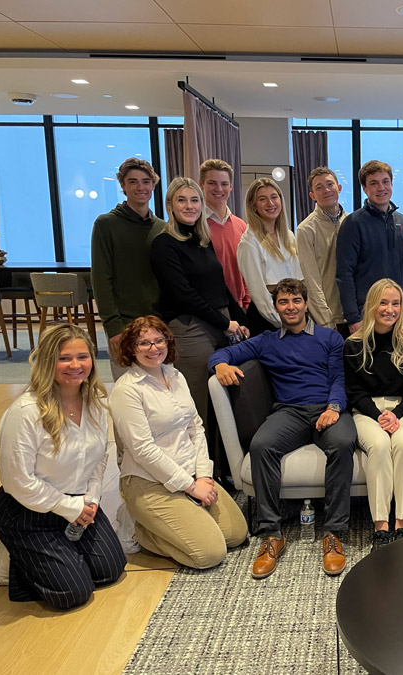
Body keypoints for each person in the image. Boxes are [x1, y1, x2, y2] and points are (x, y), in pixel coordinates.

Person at [208, 278, 355, 579]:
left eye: (296, 300)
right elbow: (222, 354)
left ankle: (333, 532)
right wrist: (219, 365)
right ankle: (271, 533)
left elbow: (341, 379)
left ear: (305, 303)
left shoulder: (330, 338)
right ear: (275, 307)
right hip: (289, 412)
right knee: (262, 446)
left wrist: (334, 408)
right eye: (283, 302)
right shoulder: (266, 341)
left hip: (327, 408)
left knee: (341, 444)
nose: (291, 307)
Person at [0, 324, 125, 609]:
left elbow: (99, 458)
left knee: (110, 570)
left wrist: (91, 498)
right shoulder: (26, 412)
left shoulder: (97, 402)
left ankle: (60, 559)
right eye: (64, 358)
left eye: (83, 357)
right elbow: (17, 482)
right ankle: (14, 555)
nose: (75, 365)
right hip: (28, 509)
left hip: (80, 501)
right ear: (47, 361)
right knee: (73, 594)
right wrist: (68, 508)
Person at [110, 316, 247, 569]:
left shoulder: (175, 375)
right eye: (144, 343)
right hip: (148, 481)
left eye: (159, 340)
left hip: (190, 472)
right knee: (209, 554)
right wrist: (190, 487)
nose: (154, 348)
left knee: (235, 535)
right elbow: (143, 450)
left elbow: (195, 426)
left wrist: (204, 476)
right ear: (131, 348)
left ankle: (183, 517)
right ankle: (139, 527)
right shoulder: (126, 390)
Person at [150, 177, 250, 427]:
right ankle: (200, 462)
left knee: (225, 399)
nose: (189, 206)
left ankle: (221, 463)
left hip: (219, 323)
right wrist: (226, 323)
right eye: (181, 200)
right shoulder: (164, 244)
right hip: (191, 328)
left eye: (194, 200)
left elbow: (221, 286)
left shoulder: (202, 241)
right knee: (200, 400)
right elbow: (183, 295)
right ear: (170, 205)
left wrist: (241, 320)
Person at [343, 279, 403, 550]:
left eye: (396, 303)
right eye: (384, 302)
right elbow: (354, 392)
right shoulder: (354, 344)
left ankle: (402, 524)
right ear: (372, 305)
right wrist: (379, 415)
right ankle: (381, 526)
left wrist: (396, 414)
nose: (390, 309)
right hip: (367, 410)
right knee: (378, 444)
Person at [91, 157, 165, 381]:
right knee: (128, 389)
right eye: (132, 182)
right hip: (124, 324)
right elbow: (101, 279)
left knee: (160, 390)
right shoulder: (106, 225)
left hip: (158, 323)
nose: (140, 187)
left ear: (153, 185)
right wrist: (113, 327)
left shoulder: (163, 228)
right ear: (123, 186)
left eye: (145, 181)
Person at [336, 160, 403, 333]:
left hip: (397, 313)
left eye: (385, 181)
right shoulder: (353, 224)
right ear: (365, 189)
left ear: (391, 184)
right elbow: (344, 274)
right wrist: (353, 317)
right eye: (374, 183)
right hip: (366, 316)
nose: (381, 188)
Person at [200, 158, 271, 337]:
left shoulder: (242, 226)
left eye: (224, 184)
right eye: (212, 183)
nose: (219, 189)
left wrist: (246, 304)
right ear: (201, 185)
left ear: (231, 187)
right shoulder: (196, 227)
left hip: (242, 310)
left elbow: (247, 271)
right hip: (210, 313)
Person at [237, 177, 303, 331]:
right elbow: (259, 294)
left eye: (274, 197)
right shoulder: (249, 242)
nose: (270, 203)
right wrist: (283, 323)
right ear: (253, 206)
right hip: (269, 319)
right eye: (262, 199)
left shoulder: (288, 236)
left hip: (293, 314)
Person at [297, 167, 348, 332]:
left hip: (355, 314)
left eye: (330, 184)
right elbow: (311, 280)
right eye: (319, 187)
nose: (326, 190)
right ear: (312, 195)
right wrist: (326, 321)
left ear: (339, 188)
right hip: (329, 318)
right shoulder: (306, 230)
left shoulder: (352, 223)